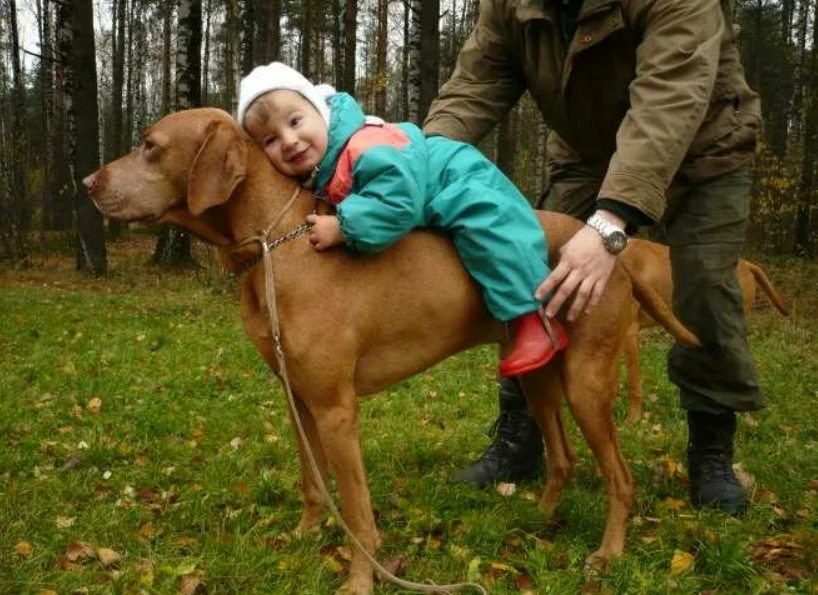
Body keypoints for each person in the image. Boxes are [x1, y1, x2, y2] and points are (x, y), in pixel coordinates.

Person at [423, 0, 763, 514]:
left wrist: (609, 224)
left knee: (705, 290)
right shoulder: (509, 6)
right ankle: (521, 439)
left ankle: (711, 449)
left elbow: (668, 102)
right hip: (587, 153)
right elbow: (473, 87)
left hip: (704, 148)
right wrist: (420, 163)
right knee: (530, 272)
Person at [236, 62, 570, 380]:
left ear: (320, 112)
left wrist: (343, 227)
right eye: (270, 140)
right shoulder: (323, 163)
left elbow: (395, 202)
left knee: (489, 227)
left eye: (294, 122)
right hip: (426, 193)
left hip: (453, 178)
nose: (289, 141)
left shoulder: (363, 146)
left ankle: (533, 316)